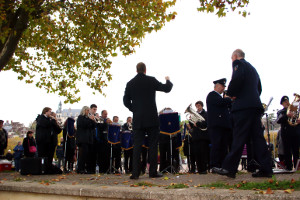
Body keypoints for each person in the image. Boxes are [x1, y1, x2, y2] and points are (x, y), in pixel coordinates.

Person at [213, 49, 272, 178]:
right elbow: (259, 88)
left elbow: (237, 79)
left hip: (243, 108)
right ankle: (266, 168)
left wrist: (231, 94)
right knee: (258, 139)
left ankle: (229, 168)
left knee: (239, 137)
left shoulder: (238, 64)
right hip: (254, 106)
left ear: (234, 57)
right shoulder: (253, 69)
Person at [123, 62, 173, 179]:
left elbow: (125, 100)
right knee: (153, 145)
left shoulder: (130, 83)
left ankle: (135, 173)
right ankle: (152, 172)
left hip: (138, 119)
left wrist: (134, 109)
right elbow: (166, 89)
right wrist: (168, 80)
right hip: (151, 118)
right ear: (145, 70)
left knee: (137, 146)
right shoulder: (151, 80)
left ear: (136, 70)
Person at [206, 78, 232, 169]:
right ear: (217, 86)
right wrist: (229, 99)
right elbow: (221, 102)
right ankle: (214, 165)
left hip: (223, 125)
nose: (223, 89)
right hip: (216, 125)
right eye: (222, 86)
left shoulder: (220, 97)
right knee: (216, 145)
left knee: (223, 147)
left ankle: (223, 164)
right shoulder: (212, 95)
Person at [276, 95, 300, 170]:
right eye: (284, 102)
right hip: (286, 134)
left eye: (287, 101)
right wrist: (286, 115)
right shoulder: (281, 112)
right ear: (282, 104)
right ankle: (288, 167)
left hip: (295, 133)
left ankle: (297, 167)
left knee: (296, 151)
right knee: (287, 151)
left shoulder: (295, 110)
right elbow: (279, 120)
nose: (287, 103)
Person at [186, 101, 210, 174]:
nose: (197, 107)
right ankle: (199, 169)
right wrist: (191, 121)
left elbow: (206, 124)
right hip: (196, 137)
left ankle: (204, 169)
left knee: (203, 153)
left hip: (203, 137)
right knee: (197, 153)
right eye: (196, 106)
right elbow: (192, 126)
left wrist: (198, 123)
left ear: (202, 106)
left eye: (199, 106)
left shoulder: (206, 114)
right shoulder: (194, 115)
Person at [36, 107, 60, 172]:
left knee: (49, 156)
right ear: (45, 112)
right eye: (49, 111)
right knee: (42, 155)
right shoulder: (41, 118)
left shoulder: (50, 120)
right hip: (42, 140)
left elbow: (58, 130)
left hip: (50, 141)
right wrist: (52, 120)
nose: (50, 113)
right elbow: (46, 124)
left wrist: (56, 122)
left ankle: (48, 168)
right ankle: (41, 169)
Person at [76, 106, 96, 174]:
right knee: (83, 155)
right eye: (87, 110)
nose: (88, 112)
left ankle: (87, 168)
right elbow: (84, 124)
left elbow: (93, 126)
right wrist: (90, 120)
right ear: (84, 111)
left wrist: (93, 120)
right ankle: (80, 169)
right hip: (83, 139)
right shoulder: (80, 117)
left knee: (88, 155)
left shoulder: (88, 118)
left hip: (89, 139)